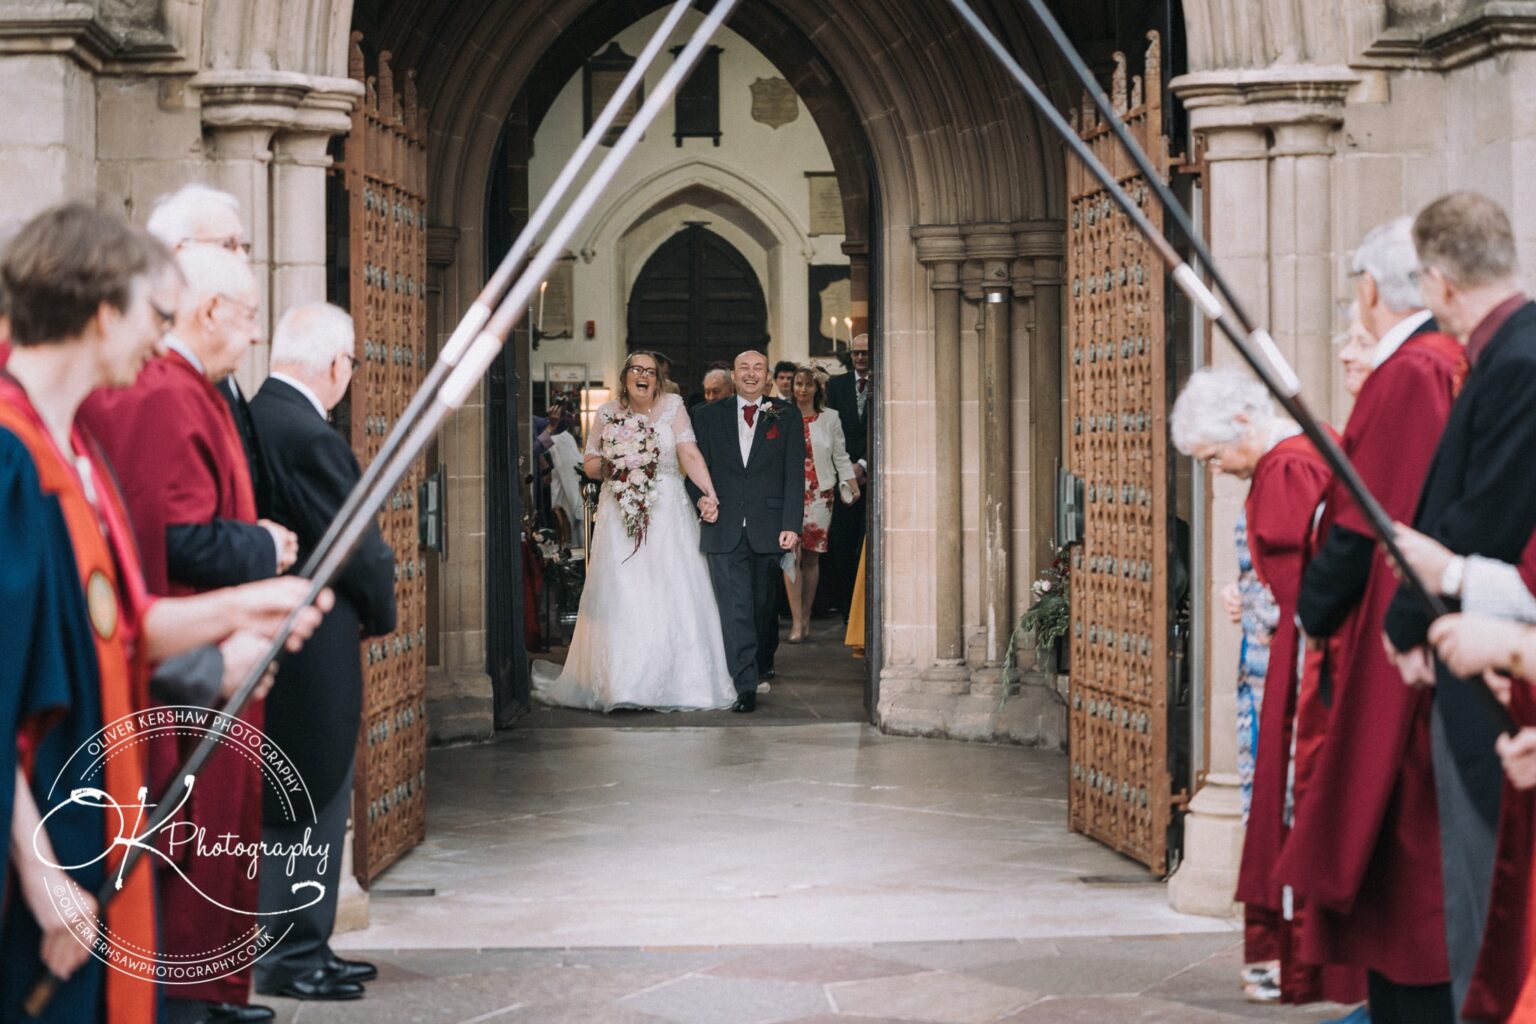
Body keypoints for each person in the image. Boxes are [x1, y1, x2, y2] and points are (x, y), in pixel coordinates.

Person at [0, 202, 327, 1024]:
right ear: (104, 311)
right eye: (155, 313)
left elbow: (114, 627)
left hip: (96, 826)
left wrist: (246, 606)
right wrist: (42, 879)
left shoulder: (74, 453)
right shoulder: (11, 458)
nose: (161, 337)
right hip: (42, 854)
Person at [76, 243, 296, 1024]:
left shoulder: (191, 389)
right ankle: (187, 994)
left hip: (193, 650)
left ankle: (204, 989)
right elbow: (169, 540)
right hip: (174, 677)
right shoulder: (163, 392)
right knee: (188, 837)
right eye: (246, 319)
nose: (251, 338)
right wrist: (263, 559)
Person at [1276, 217, 1466, 1024]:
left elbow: (1367, 521)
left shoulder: (1415, 371)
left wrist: (1316, 612)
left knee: (1410, 883)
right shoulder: (1449, 363)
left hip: (1409, 670)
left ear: (1368, 291)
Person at [1382, 192, 1536, 1018]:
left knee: (1491, 883)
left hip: (1500, 652)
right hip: (1483, 633)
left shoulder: (1518, 359)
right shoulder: (1507, 347)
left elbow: (1486, 514)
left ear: (1438, 283)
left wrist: (1417, 607)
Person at [1171, 367, 1356, 1007]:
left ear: (1245, 424)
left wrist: (1254, 604)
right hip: (1277, 664)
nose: (1218, 469)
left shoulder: (1287, 466)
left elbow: (1308, 586)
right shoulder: (1296, 455)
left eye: (1216, 453)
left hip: (1289, 673)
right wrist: (1244, 592)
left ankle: (1289, 957)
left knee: (1283, 809)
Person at [249, 304, 396, 1005]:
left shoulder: (264, 414)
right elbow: (356, 545)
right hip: (315, 634)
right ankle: (293, 952)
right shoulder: (307, 433)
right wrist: (381, 607)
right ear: (337, 365)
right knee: (312, 789)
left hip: (295, 627)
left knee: (308, 790)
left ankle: (310, 943)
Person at [532, 351, 736, 711]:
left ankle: (684, 683)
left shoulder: (674, 406)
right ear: (626, 376)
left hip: (668, 512)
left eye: (650, 372)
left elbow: (688, 453)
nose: (643, 376)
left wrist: (710, 491)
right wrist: (620, 462)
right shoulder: (607, 412)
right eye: (636, 370)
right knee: (625, 591)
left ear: (658, 380)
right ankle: (621, 683)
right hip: (621, 512)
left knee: (673, 591)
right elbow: (590, 464)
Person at [688, 349, 806, 712]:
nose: (751, 374)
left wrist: (791, 524)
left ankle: (756, 662)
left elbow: (793, 474)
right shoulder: (706, 415)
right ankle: (744, 685)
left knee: (760, 606)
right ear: (733, 375)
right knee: (734, 607)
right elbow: (693, 467)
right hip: (722, 525)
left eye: (758, 368)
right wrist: (700, 499)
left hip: (768, 526)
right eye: (744, 368)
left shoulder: (785, 414)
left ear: (767, 376)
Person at [144, 184, 271, 514]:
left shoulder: (213, 356)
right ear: (179, 251)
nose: (243, 257)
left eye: (243, 245)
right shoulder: (152, 364)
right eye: (229, 245)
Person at [784, 365, 858, 643]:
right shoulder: (782, 414)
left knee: (812, 557)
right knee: (791, 555)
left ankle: (806, 615)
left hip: (819, 492)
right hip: (789, 491)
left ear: (818, 388)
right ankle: (796, 620)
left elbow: (840, 455)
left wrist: (849, 482)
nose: (802, 389)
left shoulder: (830, 418)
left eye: (808, 384)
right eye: (798, 384)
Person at [825, 333, 870, 615]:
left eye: (865, 353)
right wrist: (847, 468)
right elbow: (832, 427)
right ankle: (846, 608)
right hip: (842, 472)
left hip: (872, 471)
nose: (860, 358)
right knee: (842, 541)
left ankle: (867, 607)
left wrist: (863, 464)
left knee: (867, 540)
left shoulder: (883, 381)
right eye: (856, 353)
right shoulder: (837, 385)